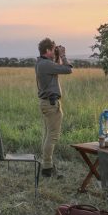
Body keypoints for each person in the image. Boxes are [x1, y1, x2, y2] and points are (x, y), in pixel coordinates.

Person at [35, 37, 73, 178]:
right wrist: (62, 55)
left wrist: (56, 56)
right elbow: (68, 69)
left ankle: (47, 165)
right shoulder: (45, 64)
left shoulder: (42, 63)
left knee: (48, 135)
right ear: (47, 50)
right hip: (51, 105)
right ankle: (47, 168)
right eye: (53, 49)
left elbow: (56, 69)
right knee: (52, 136)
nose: (55, 50)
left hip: (47, 103)